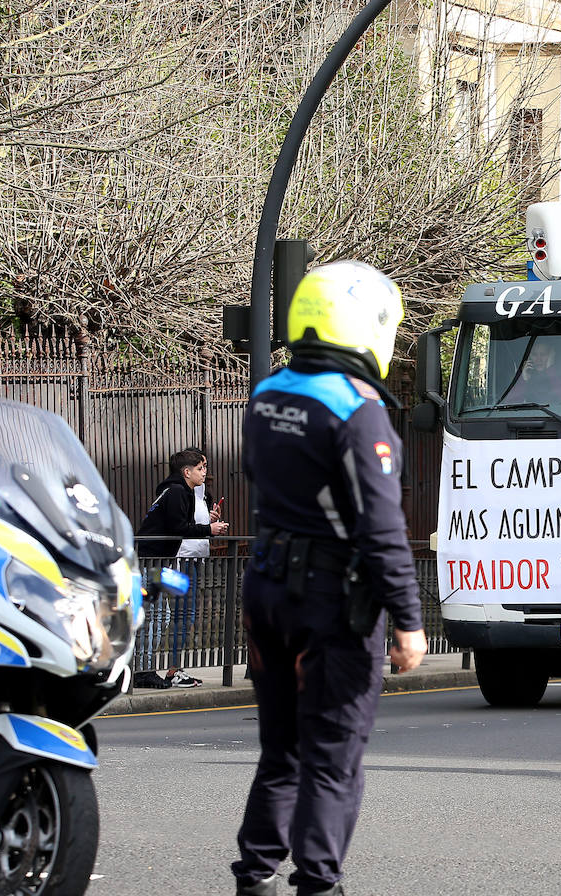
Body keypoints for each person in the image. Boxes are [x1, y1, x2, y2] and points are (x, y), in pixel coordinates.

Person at [231, 260, 427, 896]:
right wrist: (408, 619)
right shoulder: (358, 410)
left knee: (281, 747)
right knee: (333, 756)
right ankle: (319, 884)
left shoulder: (268, 394)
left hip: (265, 587)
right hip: (332, 602)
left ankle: (255, 876)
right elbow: (381, 529)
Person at [136, 448, 229, 687]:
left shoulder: (179, 491)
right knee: (153, 616)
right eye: (200, 468)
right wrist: (209, 530)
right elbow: (179, 528)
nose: (204, 472)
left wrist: (206, 522)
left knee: (159, 615)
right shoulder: (177, 491)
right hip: (150, 560)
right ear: (186, 472)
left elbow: (180, 525)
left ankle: (143, 669)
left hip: (157, 561)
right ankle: (141, 671)